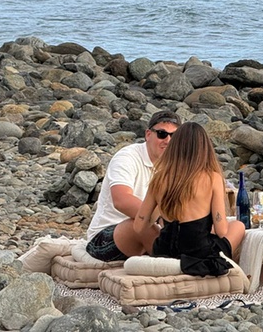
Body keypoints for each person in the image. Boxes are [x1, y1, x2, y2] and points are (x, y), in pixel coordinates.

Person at [133, 122, 246, 275]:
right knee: (238, 226)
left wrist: (163, 204)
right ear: (205, 148)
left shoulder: (159, 178)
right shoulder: (212, 178)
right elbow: (221, 230)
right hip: (199, 254)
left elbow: (139, 226)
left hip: (165, 251)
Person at [85, 110, 182, 261]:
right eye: (162, 134)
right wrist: (161, 219)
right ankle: (178, 261)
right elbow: (121, 200)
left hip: (153, 229)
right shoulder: (127, 157)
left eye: (174, 136)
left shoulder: (175, 166)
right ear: (148, 134)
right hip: (105, 236)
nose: (168, 140)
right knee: (140, 226)